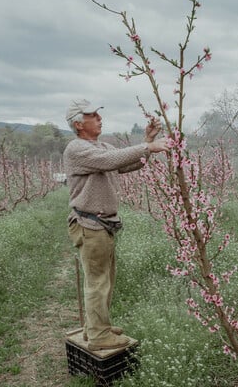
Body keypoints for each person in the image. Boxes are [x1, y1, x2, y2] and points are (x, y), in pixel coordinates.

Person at [63, 98, 168, 351]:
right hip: (91, 225)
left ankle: (96, 327)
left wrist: (147, 142)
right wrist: (149, 146)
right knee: (98, 282)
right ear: (79, 124)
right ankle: (99, 336)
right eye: (93, 115)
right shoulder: (76, 149)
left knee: (104, 280)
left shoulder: (100, 146)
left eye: (99, 114)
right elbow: (111, 161)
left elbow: (127, 162)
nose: (99, 118)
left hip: (103, 224)